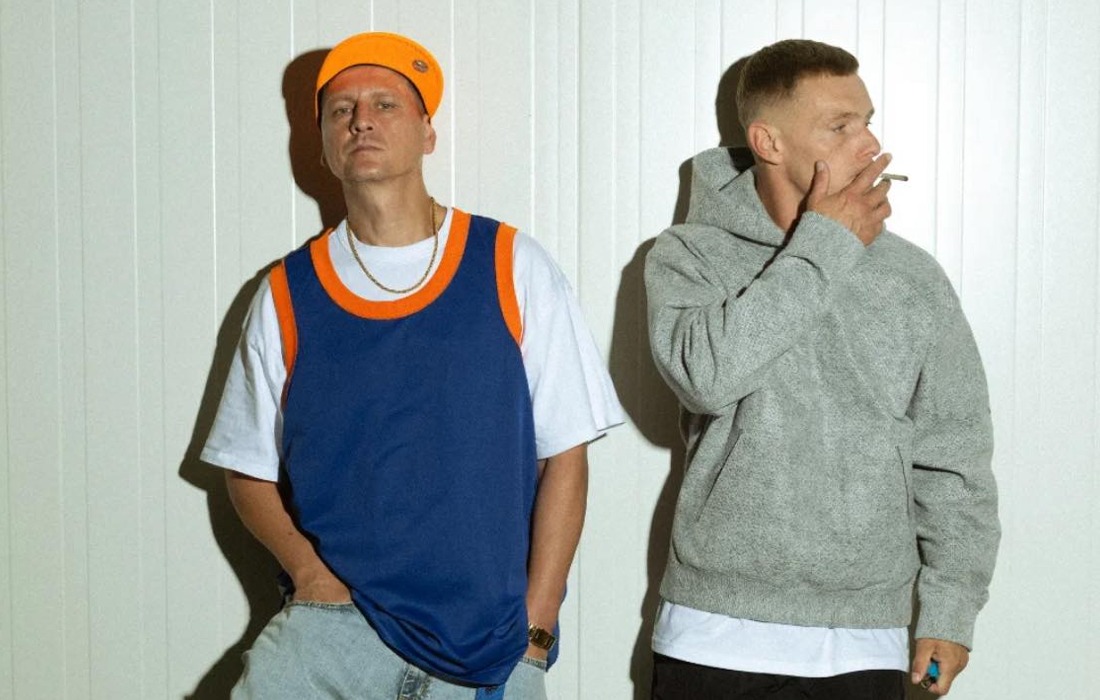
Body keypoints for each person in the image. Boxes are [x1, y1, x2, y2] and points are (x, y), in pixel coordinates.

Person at [201, 31, 622, 699]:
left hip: (484, 652)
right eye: (341, 110)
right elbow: (244, 466)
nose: (361, 120)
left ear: (428, 133)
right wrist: (311, 577)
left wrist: (537, 632)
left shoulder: (511, 265)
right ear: (322, 144)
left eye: (385, 104)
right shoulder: (286, 293)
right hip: (331, 639)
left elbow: (565, 455)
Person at [644, 39, 999, 699]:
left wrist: (950, 611)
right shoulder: (689, 256)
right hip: (712, 635)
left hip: (865, 643)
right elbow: (705, 377)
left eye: (867, 121)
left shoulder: (911, 278)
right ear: (769, 142)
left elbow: (954, 460)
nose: (870, 145)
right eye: (840, 126)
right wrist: (825, 245)